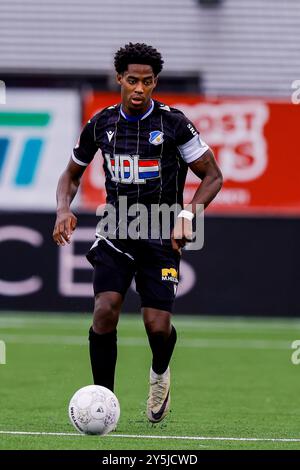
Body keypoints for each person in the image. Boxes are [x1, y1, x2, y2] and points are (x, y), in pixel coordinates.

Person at [53, 43, 223, 423]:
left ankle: (160, 374)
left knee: (157, 327)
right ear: (119, 79)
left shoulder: (174, 123)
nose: (139, 89)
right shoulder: (101, 123)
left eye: (147, 82)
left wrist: (189, 215)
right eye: (132, 80)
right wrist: (63, 208)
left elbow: (213, 176)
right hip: (116, 229)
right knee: (104, 311)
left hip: (162, 232)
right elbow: (71, 174)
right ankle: (103, 402)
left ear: (155, 82)